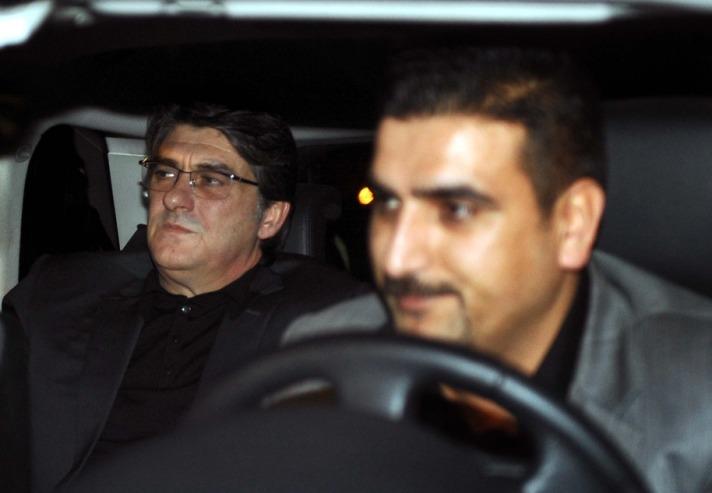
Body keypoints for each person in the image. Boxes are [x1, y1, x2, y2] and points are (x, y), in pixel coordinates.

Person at [367, 47, 712, 493]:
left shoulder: (700, 400)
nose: (397, 260)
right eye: (388, 203)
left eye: (457, 209)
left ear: (572, 224)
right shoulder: (317, 353)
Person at [1, 103, 385, 493]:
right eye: (165, 173)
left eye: (211, 180)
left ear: (269, 217)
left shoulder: (327, 321)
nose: (174, 198)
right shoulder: (57, 295)